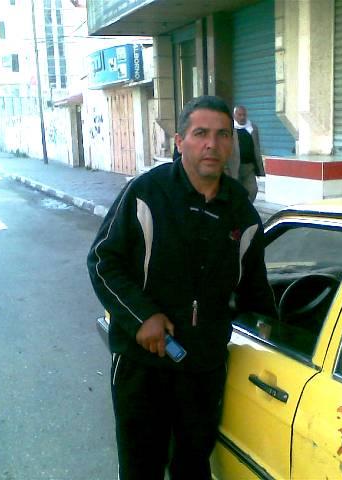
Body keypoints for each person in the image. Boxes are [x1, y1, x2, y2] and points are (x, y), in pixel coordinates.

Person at [87, 95, 276, 480]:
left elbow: (254, 289)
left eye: (222, 135)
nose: (212, 144)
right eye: (200, 133)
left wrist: (274, 331)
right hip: (143, 363)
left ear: (232, 143)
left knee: (193, 466)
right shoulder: (146, 192)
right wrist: (143, 316)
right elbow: (103, 261)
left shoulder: (241, 212)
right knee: (142, 468)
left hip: (203, 367)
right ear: (179, 141)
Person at [225, 105, 266, 202]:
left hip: (249, 167)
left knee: (252, 190)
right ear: (234, 115)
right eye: (239, 115)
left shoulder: (252, 128)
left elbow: (257, 148)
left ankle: (246, 207)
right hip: (234, 166)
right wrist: (225, 168)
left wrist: (259, 167)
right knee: (236, 191)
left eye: (244, 115)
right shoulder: (229, 129)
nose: (242, 117)